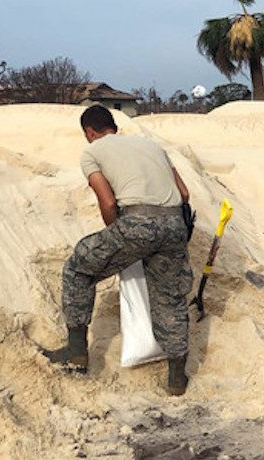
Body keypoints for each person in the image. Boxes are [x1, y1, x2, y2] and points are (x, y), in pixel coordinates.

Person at [43, 105, 194, 396]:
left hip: (136, 223)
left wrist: (120, 236)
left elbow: (108, 202)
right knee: (170, 296)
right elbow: (184, 194)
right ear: (113, 125)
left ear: (89, 132)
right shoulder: (152, 146)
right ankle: (177, 378)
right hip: (175, 224)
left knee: (78, 269)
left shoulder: (92, 152)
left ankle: (76, 352)